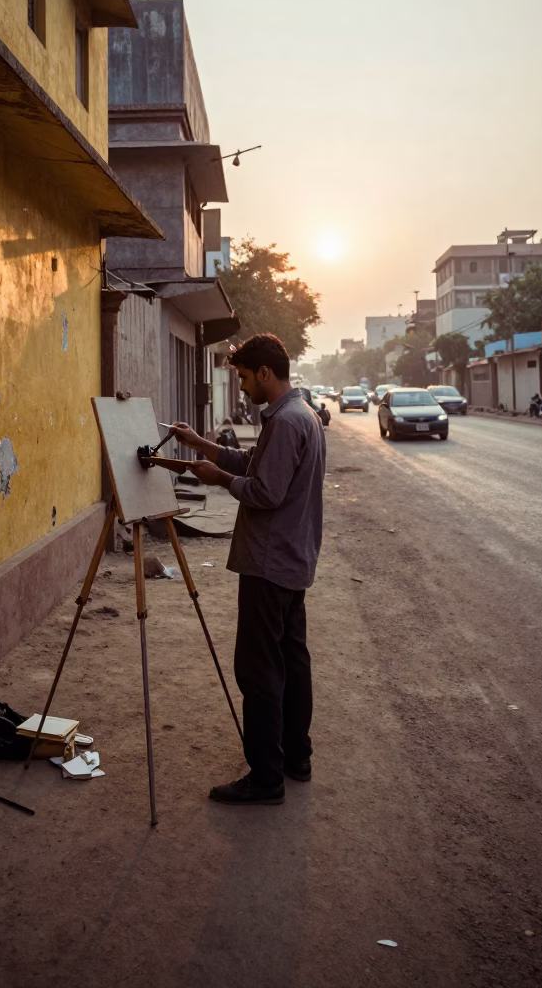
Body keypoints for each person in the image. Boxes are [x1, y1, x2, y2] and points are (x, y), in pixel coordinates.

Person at [171, 332, 326, 806]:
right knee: (292, 662)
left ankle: (266, 779)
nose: (240, 387)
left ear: (264, 374)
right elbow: (256, 465)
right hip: (292, 560)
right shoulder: (303, 416)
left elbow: (265, 492)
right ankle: (295, 757)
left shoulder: (285, 423)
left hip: (269, 563)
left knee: (259, 671)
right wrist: (202, 444)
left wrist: (220, 481)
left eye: (242, 378)